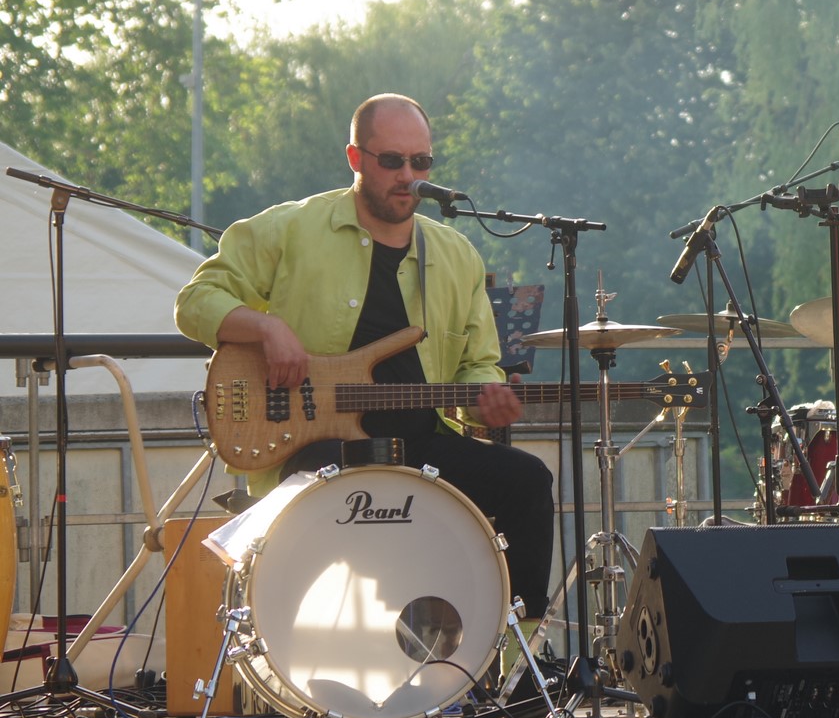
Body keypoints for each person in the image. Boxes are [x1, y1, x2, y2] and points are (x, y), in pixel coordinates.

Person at [176, 93, 555, 617]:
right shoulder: (290, 229)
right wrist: (266, 328)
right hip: (315, 453)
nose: (409, 176)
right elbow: (195, 300)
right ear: (355, 158)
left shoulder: (456, 255)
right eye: (392, 160)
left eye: (421, 162)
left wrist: (484, 404)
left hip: (422, 449)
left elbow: (478, 366)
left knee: (528, 481)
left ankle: (512, 653)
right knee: (341, 485)